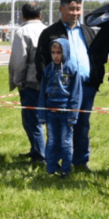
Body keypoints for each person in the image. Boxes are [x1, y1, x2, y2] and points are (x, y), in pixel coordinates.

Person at [36, 0, 97, 171]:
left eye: (78, 8)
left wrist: (95, 79)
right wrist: (50, 87)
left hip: (85, 89)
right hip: (60, 92)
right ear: (61, 9)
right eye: (71, 8)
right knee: (59, 129)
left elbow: (96, 57)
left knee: (82, 125)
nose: (75, 12)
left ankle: (80, 161)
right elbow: (41, 61)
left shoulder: (87, 31)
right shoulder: (50, 33)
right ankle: (57, 163)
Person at [39, 39, 83, 179]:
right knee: (51, 142)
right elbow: (42, 94)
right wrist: (42, 114)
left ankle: (66, 170)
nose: (56, 56)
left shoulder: (72, 69)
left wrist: (73, 114)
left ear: (65, 52)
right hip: (51, 113)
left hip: (66, 114)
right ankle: (50, 169)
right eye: (53, 53)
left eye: (59, 52)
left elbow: (76, 94)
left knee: (65, 143)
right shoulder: (48, 70)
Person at [9, 2, 46, 165]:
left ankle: (39, 155)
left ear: (23, 16)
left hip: (30, 82)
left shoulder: (22, 31)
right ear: (40, 15)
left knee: (31, 120)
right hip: (47, 81)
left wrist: (17, 80)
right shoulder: (47, 29)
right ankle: (37, 150)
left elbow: (20, 59)